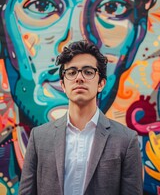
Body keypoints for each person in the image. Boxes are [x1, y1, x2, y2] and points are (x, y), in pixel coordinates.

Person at [19, 40, 143, 195]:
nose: (79, 78)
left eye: (88, 72)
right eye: (71, 72)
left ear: (101, 84)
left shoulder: (126, 140)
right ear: (63, 85)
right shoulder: (39, 138)